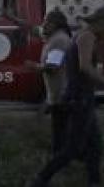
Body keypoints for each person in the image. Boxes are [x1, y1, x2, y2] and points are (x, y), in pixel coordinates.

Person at [29, 6, 104, 187]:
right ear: (101, 22)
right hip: (79, 98)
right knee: (72, 148)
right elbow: (85, 67)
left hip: (84, 97)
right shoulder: (87, 36)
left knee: (95, 145)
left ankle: (94, 182)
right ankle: (41, 179)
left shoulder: (88, 36)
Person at [30, 9, 73, 155]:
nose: (44, 24)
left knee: (60, 135)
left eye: (47, 21)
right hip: (57, 95)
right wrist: (14, 19)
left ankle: (60, 164)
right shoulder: (52, 36)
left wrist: (35, 67)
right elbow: (34, 29)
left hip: (62, 96)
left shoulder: (60, 40)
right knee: (61, 133)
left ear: (56, 24)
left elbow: (53, 67)